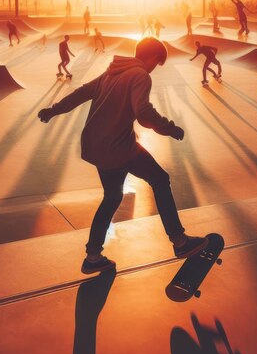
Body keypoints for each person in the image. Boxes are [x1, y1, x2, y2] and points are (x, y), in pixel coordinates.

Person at [38, 37, 207, 273]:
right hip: (118, 147)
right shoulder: (140, 75)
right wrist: (170, 128)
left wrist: (53, 110)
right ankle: (180, 242)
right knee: (160, 180)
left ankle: (93, 257)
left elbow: (80, 94)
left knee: (112, 197)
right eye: (156, 64)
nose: (153, 70)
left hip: (97, 145)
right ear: (151, 57)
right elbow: (144, 113)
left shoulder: (111, 72)